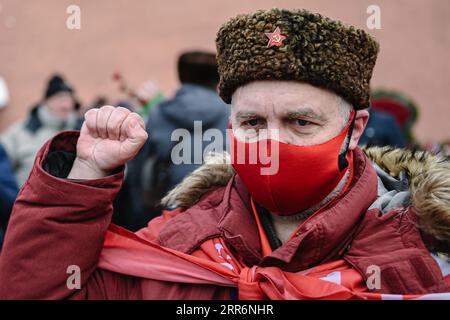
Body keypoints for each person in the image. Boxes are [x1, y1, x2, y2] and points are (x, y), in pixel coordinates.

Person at [1, 9, 449, 300]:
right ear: (230, 125)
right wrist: (84, 174)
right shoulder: (177, 247)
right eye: (253, 123)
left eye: (301, 122)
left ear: (354, 130)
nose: (273, 145)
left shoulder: (429, 258)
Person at [118, 51, 230, 230]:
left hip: (171, 208)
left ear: (182, 76)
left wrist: (139, 219)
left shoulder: (160, 112)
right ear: (217, 77)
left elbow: (140, 169)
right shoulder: (231, 113)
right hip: (221, 211)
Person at [0, 74, 80, 186]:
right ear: (47, 102)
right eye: (60, 99)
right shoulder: (21, 132)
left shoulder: (80, 130)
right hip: (26, 201)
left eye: (69, 99)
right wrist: (11, 197)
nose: (66, 105)